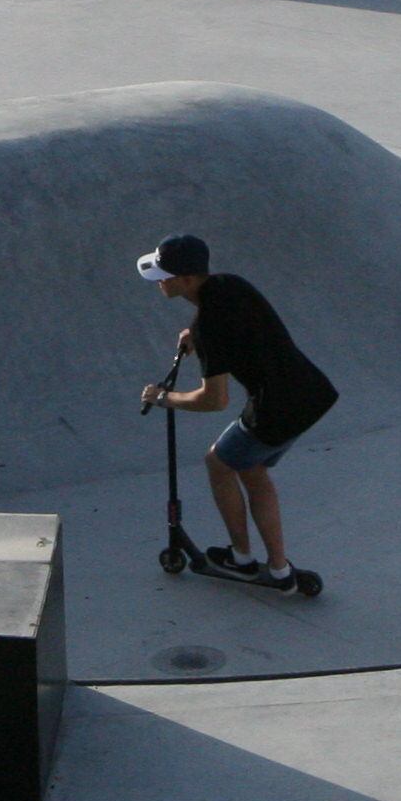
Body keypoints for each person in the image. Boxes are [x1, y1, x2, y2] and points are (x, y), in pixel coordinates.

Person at [136, 233, 335, 589]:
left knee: (219, 463)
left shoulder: (211, 327)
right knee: (252, 469)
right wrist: (195, 333)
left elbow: (214, 400)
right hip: (311, 394)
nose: (159, 282)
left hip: (275, 410)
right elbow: (236, 321)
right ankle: (278, 571)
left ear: (187, 280)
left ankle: (242, 560)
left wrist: (165, 398)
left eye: (165, 275)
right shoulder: (229, 285)